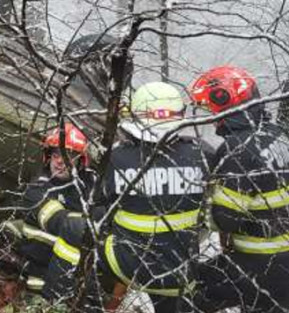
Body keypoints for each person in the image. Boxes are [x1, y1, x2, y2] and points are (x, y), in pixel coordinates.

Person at [39, 82, 208, 312]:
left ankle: (60, 305)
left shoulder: (118, 158)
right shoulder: (203, 155)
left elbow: (101, 207)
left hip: (128, 262)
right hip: (181, 270)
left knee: (73, 228)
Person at [189, 66, 289, 313]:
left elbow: (225, 220)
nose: (210, 117)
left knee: (192, 290)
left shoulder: (237, 150)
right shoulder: (275, 132)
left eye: (210, 109)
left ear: (225, 102)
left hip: (266, 263)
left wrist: (204, 202)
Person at [7, 124, 97, 297]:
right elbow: (61, 222)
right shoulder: (38, 189)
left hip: (76, 266)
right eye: (56, 154)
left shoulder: (90, 183)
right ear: (48, 157)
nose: (59, 161)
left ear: (80, 160)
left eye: (67, 155)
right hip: (40, 266)